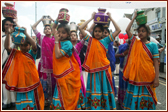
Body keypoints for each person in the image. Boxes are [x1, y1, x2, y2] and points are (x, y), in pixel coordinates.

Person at [79, 12, 121, 110]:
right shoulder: (90, 40)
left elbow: (118, 30)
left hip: (104, 70)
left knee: (104, 89)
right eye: (95, 31)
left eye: (99, 31)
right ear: (93, 32)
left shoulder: (105, 41)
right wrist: (91, 18)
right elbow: (81, 29)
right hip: (93, 71)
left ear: (103, 33)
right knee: (95, 89)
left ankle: (104, 107)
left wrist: (111, 17)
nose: (97, 33)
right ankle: (95, 108)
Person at [123, 11, 159, 110]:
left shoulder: (153, 45)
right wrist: (134, 17)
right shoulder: (135, 42)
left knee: (148, 97)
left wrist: (156, 78)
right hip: (136, 76)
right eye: (139, 31)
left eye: (143, 31)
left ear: (148, 33)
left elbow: (156, 62)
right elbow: (127, 29)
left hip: (148, 75)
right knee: (135, 95)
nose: (140, 33)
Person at [3, 26, 44, 110]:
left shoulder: (31, 54)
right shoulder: (17, 53)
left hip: (33, 82)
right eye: (22, 45)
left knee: (34, 102)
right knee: (22, 104)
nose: (24, 47)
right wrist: (8, 34)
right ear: (19, 46)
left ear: (29, 46)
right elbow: (7, 47)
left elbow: (34, 45)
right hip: (21, 84)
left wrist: (26, 33)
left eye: (26, 45)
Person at [51, 20, 81, 110]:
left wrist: (56, 41)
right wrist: (58, 18)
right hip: (61, 73)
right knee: (61, 94)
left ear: (68, 34)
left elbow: (57, 55)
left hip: (67, 74)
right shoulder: (59, 41)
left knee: (67, 95)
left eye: (63, 33)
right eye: (58, 32)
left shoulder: (67, 44)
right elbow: (53, 27)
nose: (60, 34)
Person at [32, 16, 55, 106]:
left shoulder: (54, 38)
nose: (47, 30)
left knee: (53, 83)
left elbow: (58, 28)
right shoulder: (41, 38)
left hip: (53, 65)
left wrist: (54, 21)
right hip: (44, 66)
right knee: (44, 84)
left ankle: (53, 99)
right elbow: (33, 27)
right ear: (43, 31)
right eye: (45, 29)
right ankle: (45, 100)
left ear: (52, 30)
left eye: (49, 28)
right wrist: (41, 19)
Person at [2, 17, 17, 109]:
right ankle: (6, 101)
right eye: (6, 24)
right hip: (3, 61)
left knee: (12, 81)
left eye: (10, 24)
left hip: (12, 60)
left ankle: (13, 101)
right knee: (4, 82)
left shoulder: (15, 35)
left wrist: (15, 23)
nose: (8, 26)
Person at [70, 30, 86, 109]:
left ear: (77, 37)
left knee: (79, 85)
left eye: (74, 35)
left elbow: (85, 37)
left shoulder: (79, 45)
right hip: (68, 68)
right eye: (71, 35)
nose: (72, 36)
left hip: (77, 68)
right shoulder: (66, 45)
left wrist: (81, 28)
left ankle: (80, 103)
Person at [115, 40, 130, 109]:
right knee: (123, 86)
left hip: (132, 72)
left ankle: (129, 103)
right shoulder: (122, 47)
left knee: (130, 88)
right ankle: (122, 102)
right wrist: (123, 54)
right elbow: (115, 55)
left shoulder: (137, 48)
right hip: (123, 70)